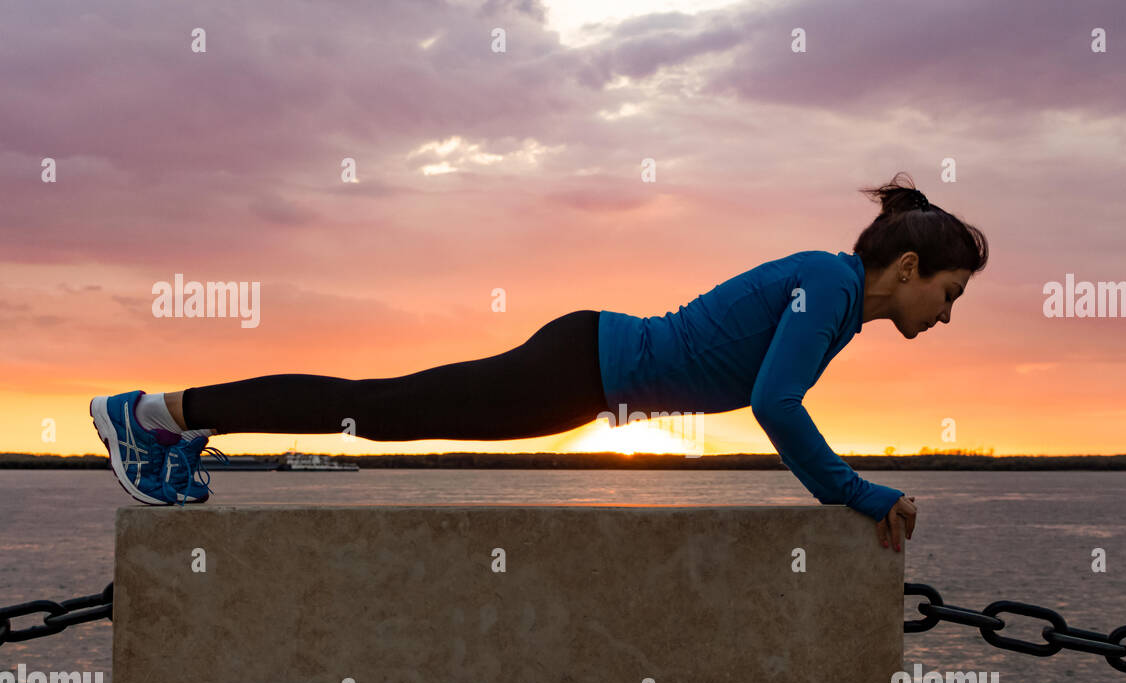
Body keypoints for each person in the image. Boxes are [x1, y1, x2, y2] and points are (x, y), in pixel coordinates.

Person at [89, 171, 988, 552]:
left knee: (387, 411)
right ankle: (155, 412)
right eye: (948, 293)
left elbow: (769, 393)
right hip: (583, 362)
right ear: (906, 268)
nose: (945, 317)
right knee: (382, 408)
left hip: (586, 377)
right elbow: (775, 404)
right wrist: (859, 493)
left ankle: (175, 421)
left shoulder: (835, 304)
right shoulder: (828, 286)